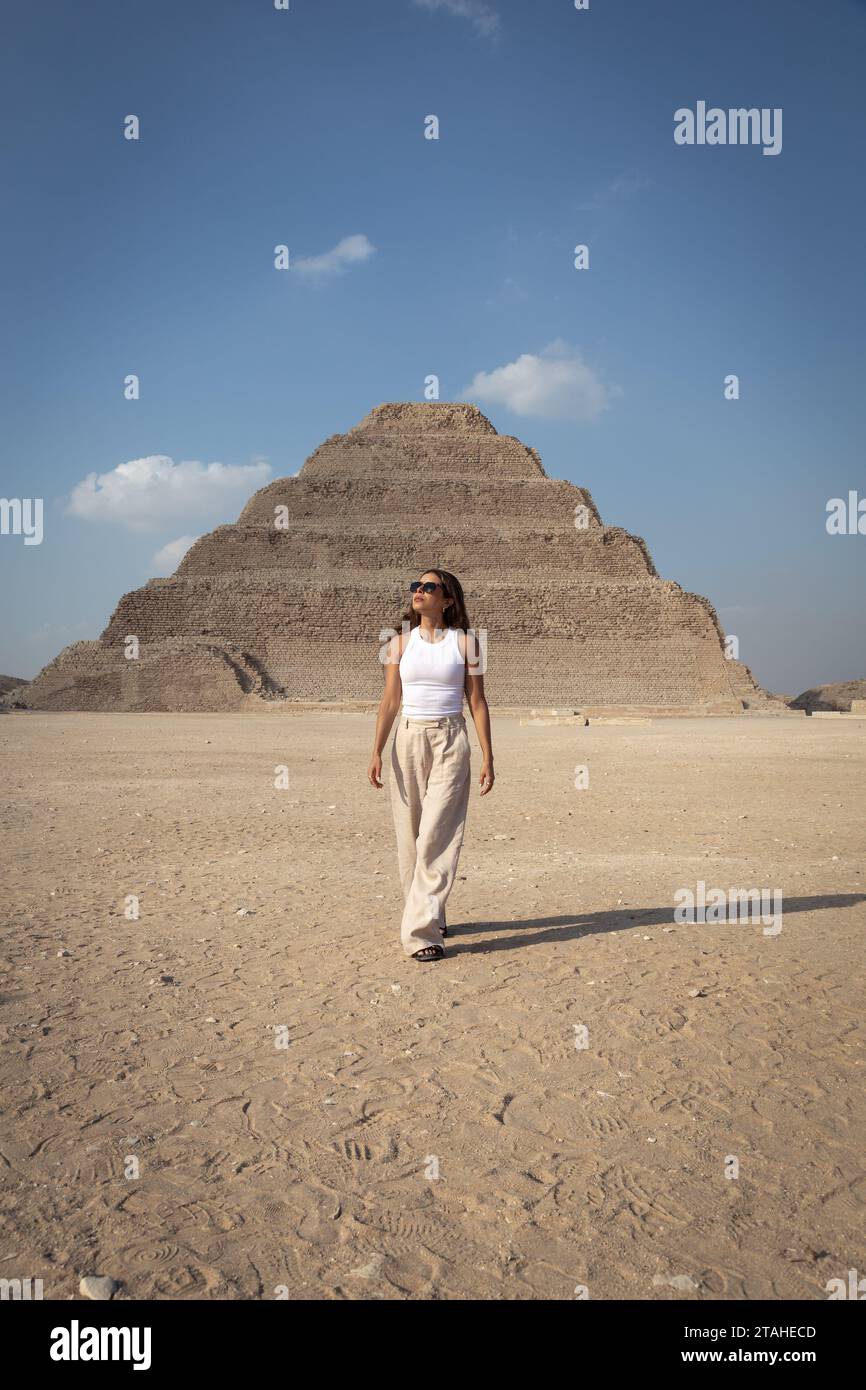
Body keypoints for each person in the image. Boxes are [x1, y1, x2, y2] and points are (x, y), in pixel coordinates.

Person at [368, 569, 495, 961]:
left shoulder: (467, 644)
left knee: (438, 834)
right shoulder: (397, 644)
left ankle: (422, 934)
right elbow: (390, 701)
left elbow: (476, 702)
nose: (418, 592)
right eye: (415, 587)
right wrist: (376, 749)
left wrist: (489, 755)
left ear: (449, 600)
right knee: (409, 836)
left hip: (451, 739)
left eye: (428, 587)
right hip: (407, 738)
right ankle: (428, 912)